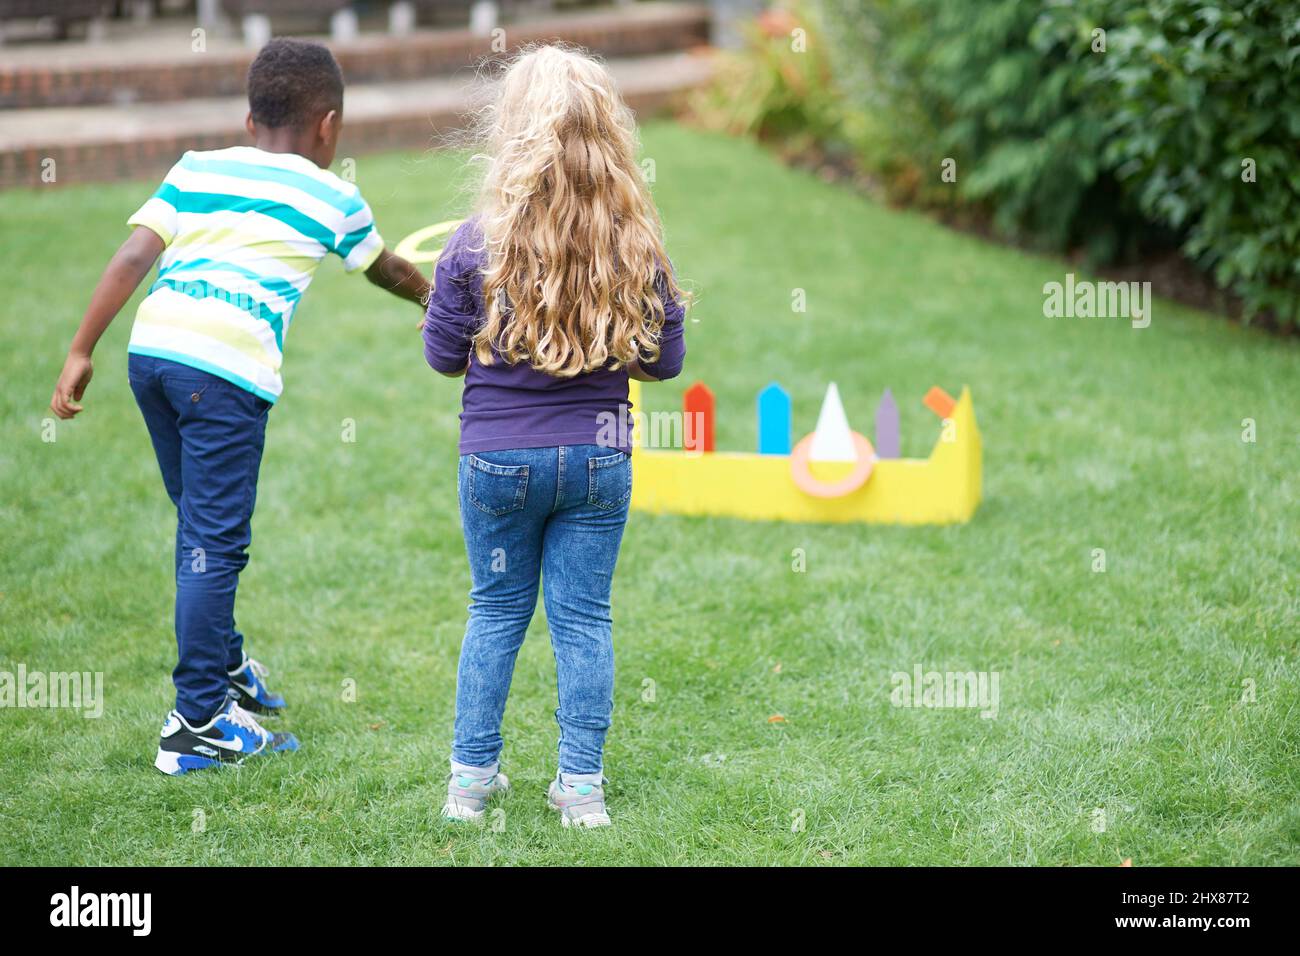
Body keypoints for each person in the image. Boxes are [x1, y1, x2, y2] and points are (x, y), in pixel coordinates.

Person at [48, 38, 429, 775]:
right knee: (213, 544)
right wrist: (435, 297)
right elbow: (383, 267)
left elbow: (133, 256)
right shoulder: (333, 196)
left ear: (249, 120)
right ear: (329, 127)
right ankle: (196, 723)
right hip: (222, 376)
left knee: (197, 527)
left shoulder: (197, 168)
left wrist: (79, 349)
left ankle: (223, 667)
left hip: (151, 357)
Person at [423, 45, 689, 827]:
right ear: (609, 136)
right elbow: (666, 362)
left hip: (498, 461)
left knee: (496, 611)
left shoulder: (476, 243)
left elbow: (442, 357)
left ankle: (470, 785)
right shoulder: (635, 243)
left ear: (513, 133)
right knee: (583, 619)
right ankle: (581, 790)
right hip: (598, 460)